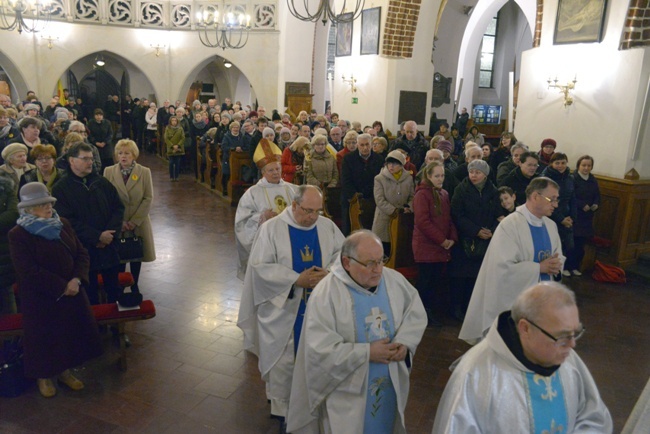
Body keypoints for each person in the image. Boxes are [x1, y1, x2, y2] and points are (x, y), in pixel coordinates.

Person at [287, 230, 427, 434]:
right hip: (347, 396)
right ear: (346, 263)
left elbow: (414, 312)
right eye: (369, 263)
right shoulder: (326, 294)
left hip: (389, 383)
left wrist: (405, 343)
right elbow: (319, 351)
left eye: (381, 260)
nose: (378, 270)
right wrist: (367, 353)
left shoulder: (394, 280)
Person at [436, 282, 612, 433]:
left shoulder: (567, 358)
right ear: (525, 328)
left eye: (576, 333)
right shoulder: (476, 374)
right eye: (562, 336)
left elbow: (594, 417)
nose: (572, 344)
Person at [237, 185, 345, 425]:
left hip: (319, 310)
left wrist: (329, 273)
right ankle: (282, 407)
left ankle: (314, 401)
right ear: (294, 205)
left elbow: (343, 255)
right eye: (308, 211)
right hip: (284, 311)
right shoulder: (271, 229)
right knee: (285, 359)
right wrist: (296, 279)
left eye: (318, 211)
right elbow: (260, 268)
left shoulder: (326, 226)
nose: (313, 217)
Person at [9, 182, 103, 398]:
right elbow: (28, 270)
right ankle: (43, 376)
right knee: (44, 337)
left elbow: (82, 253)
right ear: (28, 209)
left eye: (49, 203)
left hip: (72, 290)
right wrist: (62, 286)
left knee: (67, 333)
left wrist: (77, 279)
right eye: (42, 205)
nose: (48, 208)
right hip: (41, 296)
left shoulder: (63, 223)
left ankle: (64, 371)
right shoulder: (18, 234)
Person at [459, 177, 564, 345]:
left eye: (557, 199)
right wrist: (538, 268)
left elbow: (558, 257)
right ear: (536, 196)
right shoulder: (511, 225)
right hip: (513, 306)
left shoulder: (551, 226)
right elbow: (501, 268)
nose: (556, 204)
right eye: (552, 199)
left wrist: (556, 265)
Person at [52, 142, 125, 305]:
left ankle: (116, 327)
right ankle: (94, 328)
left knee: (114, 289)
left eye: (91, 158)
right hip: (84, 250)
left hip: (109, 247)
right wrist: (97, 236)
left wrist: (109, 235)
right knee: (89, 294)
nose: (90, 162)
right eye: (85, 158)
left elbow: (118, 208)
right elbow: (66, 221)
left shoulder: (101, 182)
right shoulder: (61, 188)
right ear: (72, 160)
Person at [450, 159, 503, 321]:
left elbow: (498, 214)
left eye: (477, 172)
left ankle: (471, 307)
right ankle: (456, 308)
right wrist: (476, 231)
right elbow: (457, 215)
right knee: (461, 277)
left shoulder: (493, 191)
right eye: (471, 172)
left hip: (485, 239)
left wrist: (491, 231)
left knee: (477, 277)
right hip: (465, 239)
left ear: (485, 175)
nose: (473, 175)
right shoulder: (461, 189)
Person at [235, 138, 294, 280]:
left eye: (278, 169)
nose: (275, 173)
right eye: (271, 170)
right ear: (263, 172)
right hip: (266, 242)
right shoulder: (252, 193)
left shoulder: (292, 189)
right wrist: (262, 217)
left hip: (290, 241)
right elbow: (242, 223)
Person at [103, 139, 155, 293]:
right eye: (120, 153)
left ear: (134, 155)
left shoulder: (144, 172)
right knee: (119, 256)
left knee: (136, 255)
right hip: (118, 221)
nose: (123, 156)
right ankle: (119, 284)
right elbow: (106, 198)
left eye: (127, 153)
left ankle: (134, 284)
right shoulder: (109, 171)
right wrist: (120, 221)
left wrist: (133, 221)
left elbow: (148, 198)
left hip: (138, 221)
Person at [413, 161, 457, 327]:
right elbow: (423, 222)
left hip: (441, 246)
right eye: (437, 176)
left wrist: (452, 238)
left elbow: (448, 218)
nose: (440, 179)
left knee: (435, 281)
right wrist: (442, 240)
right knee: (425, 281)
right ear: (429, 177)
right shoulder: (422, 195)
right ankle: (420, 312)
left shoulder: (444, 194)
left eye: (442, 175)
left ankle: (430, 310)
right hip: (426, 246)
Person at [372, 150, 414, 255]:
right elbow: (379, 200)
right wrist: (395, 211)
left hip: (402, 219)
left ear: (401, 164)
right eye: (389, 163)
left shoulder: (408, 178)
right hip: (384, 218)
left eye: (395, 163)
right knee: (385, 249)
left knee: (399, 249)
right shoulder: (379, 178)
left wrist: (409, 207)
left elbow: (412, 196)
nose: (391, 166)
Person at [341, 133, 384, 236]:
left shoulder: (379, 159)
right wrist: (355, 197)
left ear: (371, 144)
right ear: (357, 145)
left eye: (367, 144)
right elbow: (346, 180)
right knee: (350, 227)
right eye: (362, 145)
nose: (365, 148)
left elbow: (380, 180)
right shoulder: (348, 159)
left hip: (372, 197)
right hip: (352, 198)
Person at [542, 153, 576, 277]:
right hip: (551, 215)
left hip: (567, 216)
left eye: (563, 163)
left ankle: (563, 267)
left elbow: (573, 197)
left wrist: (572, 216)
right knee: (552, 245)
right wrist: (561, 219)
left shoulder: (570, 177)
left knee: (568, 245)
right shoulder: (546, 178)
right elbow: (548, 201)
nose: (560, 166)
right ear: (551, 164)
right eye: (557, 163)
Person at [567, 155, 600, 276]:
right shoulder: (573, 178)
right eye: (584, 165)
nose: (586, 168)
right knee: (571, 243)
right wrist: (581, 205)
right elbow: (571, 195)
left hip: (587, 217)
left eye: (589, 166)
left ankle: (576, 266)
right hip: (576, 215)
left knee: (581, 244)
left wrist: (596, 203)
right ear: (578, 166)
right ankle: (566, 266)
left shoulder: (592, 179)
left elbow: (597, 194)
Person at [0, 172, 18, 315]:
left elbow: (13, 215)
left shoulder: (6, 188)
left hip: (4, 252)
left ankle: (12, 337)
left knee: (6, 295)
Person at [164, 115, 185, 181]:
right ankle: (171, 176)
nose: (174, 122)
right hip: (171, 148)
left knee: (177, 163)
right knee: (171, 163)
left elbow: (183, 137)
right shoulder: (167, 128)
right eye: (172, 120)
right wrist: (172, 146)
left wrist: (178, 145)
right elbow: (166, 138)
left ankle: (177, 176)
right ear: (170, 121)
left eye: (175, 120)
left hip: (178, 148)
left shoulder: (180, 128)